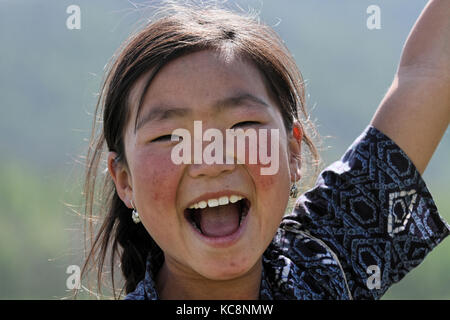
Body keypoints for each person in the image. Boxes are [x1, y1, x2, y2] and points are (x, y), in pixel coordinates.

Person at [81, 0, 450, 300]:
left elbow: (430, 74)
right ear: (125, 181)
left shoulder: (325, 264)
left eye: (243, 126)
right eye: (171, 138)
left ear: (292, 153)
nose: (212, 161)